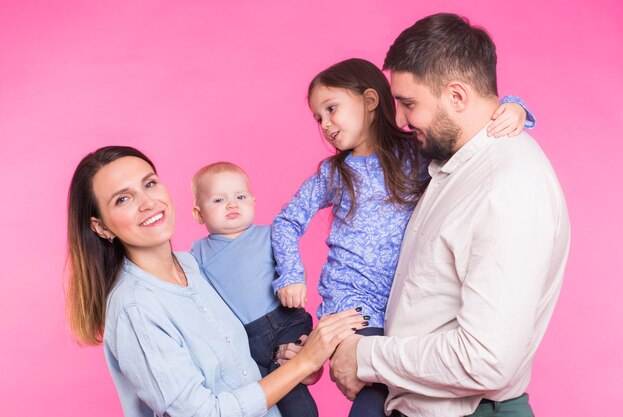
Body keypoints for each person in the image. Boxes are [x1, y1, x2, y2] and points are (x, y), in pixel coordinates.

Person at [329, 13, 570, 417]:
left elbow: (486, 359)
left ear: (456, 97)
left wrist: (365, 356)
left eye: (408, 103)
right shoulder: (456, 166)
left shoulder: (508, 188)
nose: (401, 121)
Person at [271, 58, 535, 417]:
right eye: (318, 119)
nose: (326, 125)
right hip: (353, 308)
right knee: (372, 403)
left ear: (369, 100)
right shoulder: (334, 173)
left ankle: (311, 360)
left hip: (403, 311)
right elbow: (286, 221)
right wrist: (291, 274)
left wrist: (514, 107)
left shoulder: (416, 152)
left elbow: (469, 135)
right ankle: (313, 358)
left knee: (404, 395)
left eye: (331, 109)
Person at [65, 146, 367, 417]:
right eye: (123, 199)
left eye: (150, 184)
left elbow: (244, 364)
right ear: (101, 227)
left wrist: (291, 361)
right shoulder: (135, 308)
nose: (148, 203)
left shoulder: (194, 266)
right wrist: (304, 363)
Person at [190, 162, 321, 417]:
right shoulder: (197, 254)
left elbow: (295, 271)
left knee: (289, 385)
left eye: (240, 197)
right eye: (218, 200)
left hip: (285, 322)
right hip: (244, 339)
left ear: (253, 201)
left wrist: (296, 281)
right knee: (256, 399)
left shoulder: (273, 235)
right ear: (198, 214)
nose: (231, 204)